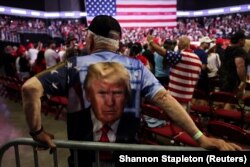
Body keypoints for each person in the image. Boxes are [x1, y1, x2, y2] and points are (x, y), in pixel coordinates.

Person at [21, 15, 241, 160]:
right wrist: (200, 137)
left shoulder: (73, 66)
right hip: (127, 156)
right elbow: (165, 99)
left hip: (82, 160)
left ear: (89, 40)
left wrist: (37, 131)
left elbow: (30, 88)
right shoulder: (137, 68)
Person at [67, 61, 139, 166]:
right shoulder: (76, 121)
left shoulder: (134, 125)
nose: (110, 102)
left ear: (127, 96)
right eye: (102, 93)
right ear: (88, 95)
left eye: (117, 93)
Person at [148, 36, 202, 111]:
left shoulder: (180, 56)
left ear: (180, 45)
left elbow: (162, 52)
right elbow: (196, 80)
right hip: (187, 97)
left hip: (175, 98)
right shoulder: (198, 59)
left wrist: (151, 41)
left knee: (175, 120)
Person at [219, 31, 247, 96]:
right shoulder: (239, 50)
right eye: (244, 40)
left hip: (223, 78)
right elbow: (240, 66)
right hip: (233, 80)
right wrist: (243, 81)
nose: (245, 42)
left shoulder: (227, 49)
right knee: (231, 101)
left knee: (223, 99)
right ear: (240, 40)